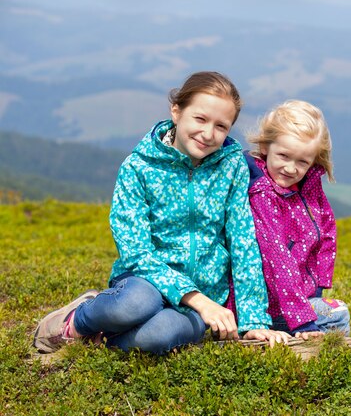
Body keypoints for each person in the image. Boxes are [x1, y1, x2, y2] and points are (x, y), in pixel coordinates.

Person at [33, 71, 290, 355]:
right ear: (176, 111)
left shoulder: (232, 168)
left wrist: (253, 320)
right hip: (144, 283)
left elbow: (243, 244)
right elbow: (136, 253)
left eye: (221, 126)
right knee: (134, 305)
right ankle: (76, 322)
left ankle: (105, 337)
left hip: (202, 297)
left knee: (157, 337)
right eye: (200, 119)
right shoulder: (138, 167)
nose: (208, 134)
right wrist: (196, 299)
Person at [244, 100, 350, 339]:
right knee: (338, 315)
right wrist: (302, 322)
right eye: (283, 156)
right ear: (265, 147)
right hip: (268, 305)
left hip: (296, 299)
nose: (291, 168)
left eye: (302, 161)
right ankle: (321, 366)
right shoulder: (263, 194)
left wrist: (318, 290)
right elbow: (276, 258)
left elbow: (326, 236)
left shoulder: (308, 188)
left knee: (335, 310)